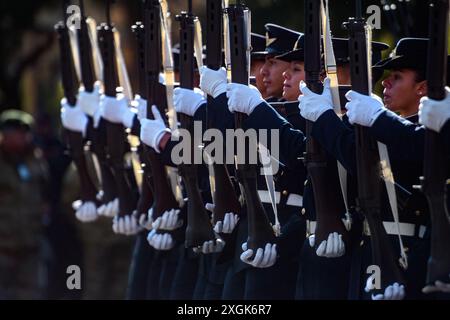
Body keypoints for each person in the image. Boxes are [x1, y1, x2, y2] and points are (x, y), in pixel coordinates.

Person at [0, 109, 49, 299]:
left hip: (31, 242)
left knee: (31, 292)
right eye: (16, 133)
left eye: (24, 133)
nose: (21, 137)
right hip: (3, 244)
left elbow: (45, 194)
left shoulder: (35, 159)